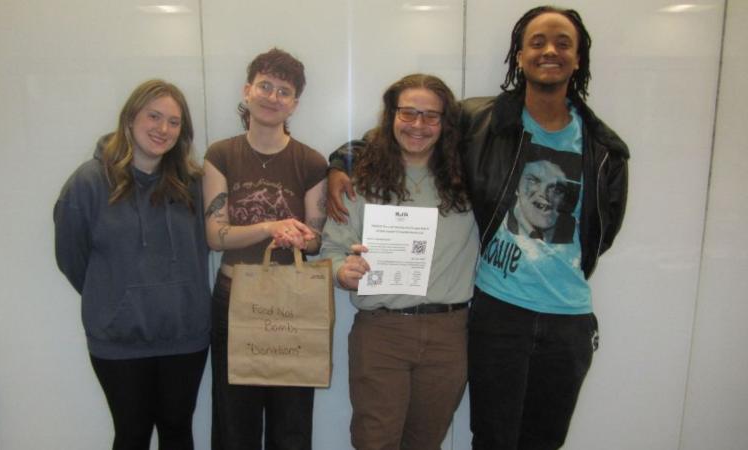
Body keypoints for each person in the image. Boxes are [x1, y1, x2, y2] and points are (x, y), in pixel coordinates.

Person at [326, 6, 629, 450]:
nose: (550, 50)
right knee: (490, 439)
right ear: (519, 55)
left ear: (578, 58)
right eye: (537, 42)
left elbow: (604, 229)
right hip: (498, 311)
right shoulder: (482, 123)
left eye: (563, 43)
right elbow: (410, 130)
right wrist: (341, 161)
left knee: (544, 440)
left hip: (567, 317)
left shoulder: (604, 148)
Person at [321, 73, 479, 450]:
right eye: (408, 113)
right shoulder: (358, 180)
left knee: (426, 443)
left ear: (445, 123)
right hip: (382, 332)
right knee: (374, 442)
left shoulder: (471, 179)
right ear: (391, 115)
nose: (418, 125)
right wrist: (342, 272)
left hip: (448, 333)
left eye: (431, 116)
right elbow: (330, 250)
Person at [54, 79, 210, 450]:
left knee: (177, 430)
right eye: (153, 116)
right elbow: (71, 258)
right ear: (130, 118)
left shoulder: (192, 182)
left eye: (174, 122)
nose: (163, 129)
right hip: (119, 341)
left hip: (185, 335)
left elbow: (202, 246)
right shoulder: (89, 183)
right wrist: (114, 296)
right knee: (132, 433)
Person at [203, 48, 327, 450]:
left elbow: (316, 238)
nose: (273, 97)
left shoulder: (311, 161)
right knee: (233, 424)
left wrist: (300, 238)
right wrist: (270, 227)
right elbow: (214, 235)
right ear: (248, 91)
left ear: (295, 103)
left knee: (291, 425)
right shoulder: (221, 155)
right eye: (265, 86)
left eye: (284, 91)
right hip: (234, 296)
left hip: (291, 301)